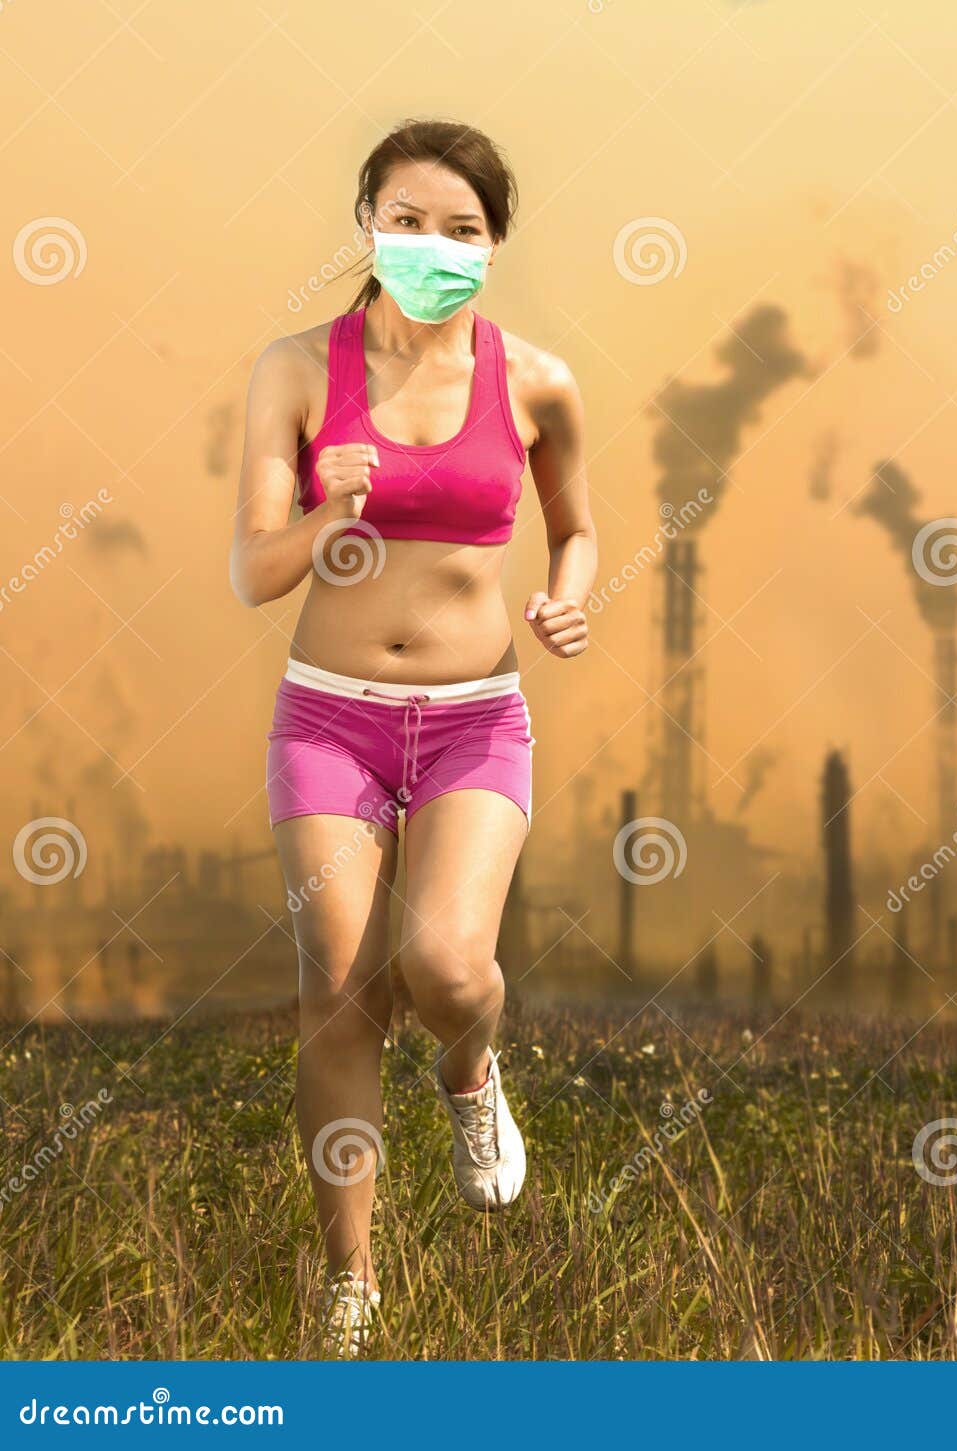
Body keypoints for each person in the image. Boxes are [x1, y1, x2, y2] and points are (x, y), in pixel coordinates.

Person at [228, 119, 596, 1357]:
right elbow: (253, 573)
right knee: (334, 989)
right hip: (326, 716)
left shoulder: (537, 379)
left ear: (494, 245)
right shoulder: (293, 369)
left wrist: (569, 594)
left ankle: (471, 1075)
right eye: (406, 220)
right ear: (364, 223)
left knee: (443, 970)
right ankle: (352, 1289)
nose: (430, 247)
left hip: (473, 717)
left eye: (462, 229)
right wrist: (330, 504)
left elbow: (577, 526)